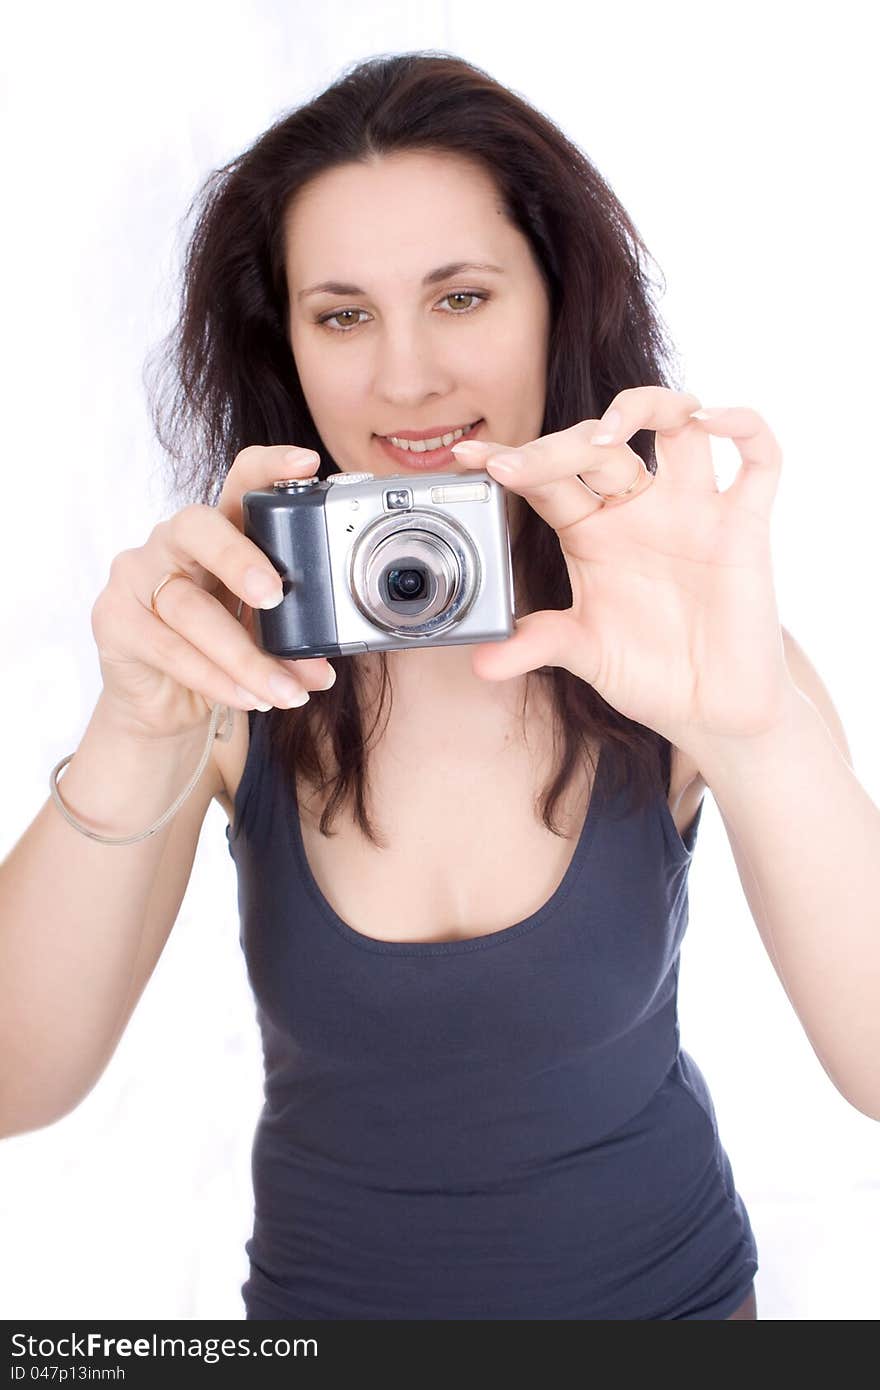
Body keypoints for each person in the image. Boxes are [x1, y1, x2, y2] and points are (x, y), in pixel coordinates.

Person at [5, 50, 874, 1321]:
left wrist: (753, 730)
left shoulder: (678, 640)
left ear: (555, 303)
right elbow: (18, 1082)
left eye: (461, 297)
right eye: (342, 314)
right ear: (285, 341)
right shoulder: (227, 662)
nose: (404, 378)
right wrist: (137, 726)